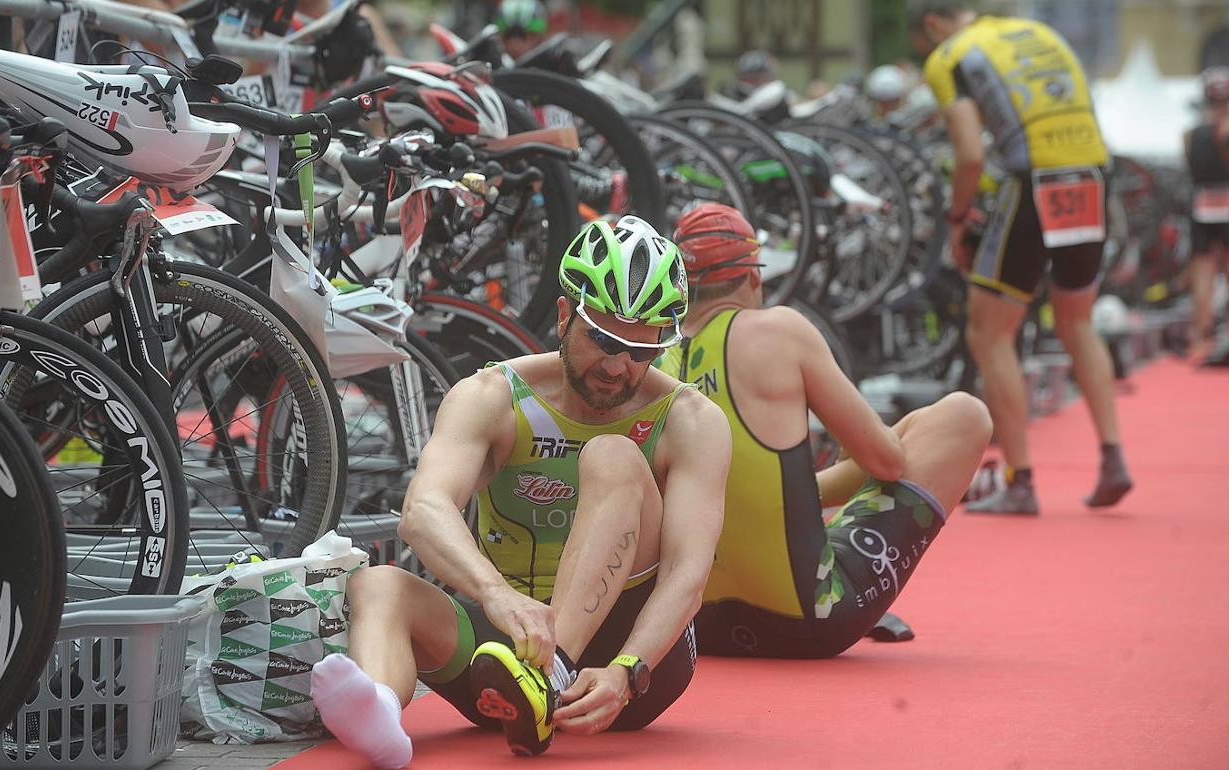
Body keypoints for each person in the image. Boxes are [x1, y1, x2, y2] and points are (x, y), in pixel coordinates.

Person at [310, 216, 731, 764]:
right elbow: (424, 510)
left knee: (613, 455)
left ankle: (551, 674)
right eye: (603, 338)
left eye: (641, 349)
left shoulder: (690, 419)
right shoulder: (491, 395)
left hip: (627, 665)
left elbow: (687, 573)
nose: (617, 366)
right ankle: (382, 715)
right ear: (564, 315)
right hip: (503, 660)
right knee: (380, 584)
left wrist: (630, 672)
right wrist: (498, 595)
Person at [652, 203, 993, 658]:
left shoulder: (653, 357)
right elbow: (888, 462)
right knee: (963, 415)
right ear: (754, 277)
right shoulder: (778, 330)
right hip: (811, 622)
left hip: (691, 628)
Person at [909, 1, 1133, 514]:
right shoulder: (1039, 33)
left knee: (990, 331)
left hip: (1032, 179)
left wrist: (957, 217)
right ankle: (1114, 458)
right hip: (1091, 174)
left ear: (933, 25)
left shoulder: (951, 55)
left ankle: (1021, 478)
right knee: (1078, 321)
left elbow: (969, 153)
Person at [1183, 67, 1229, 364]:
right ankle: (1207, 332)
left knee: (1203, 271)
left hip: (1202, 205)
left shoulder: (1191, 133)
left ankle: (1202, 333)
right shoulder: (1221, 133)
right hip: (1223, 204)